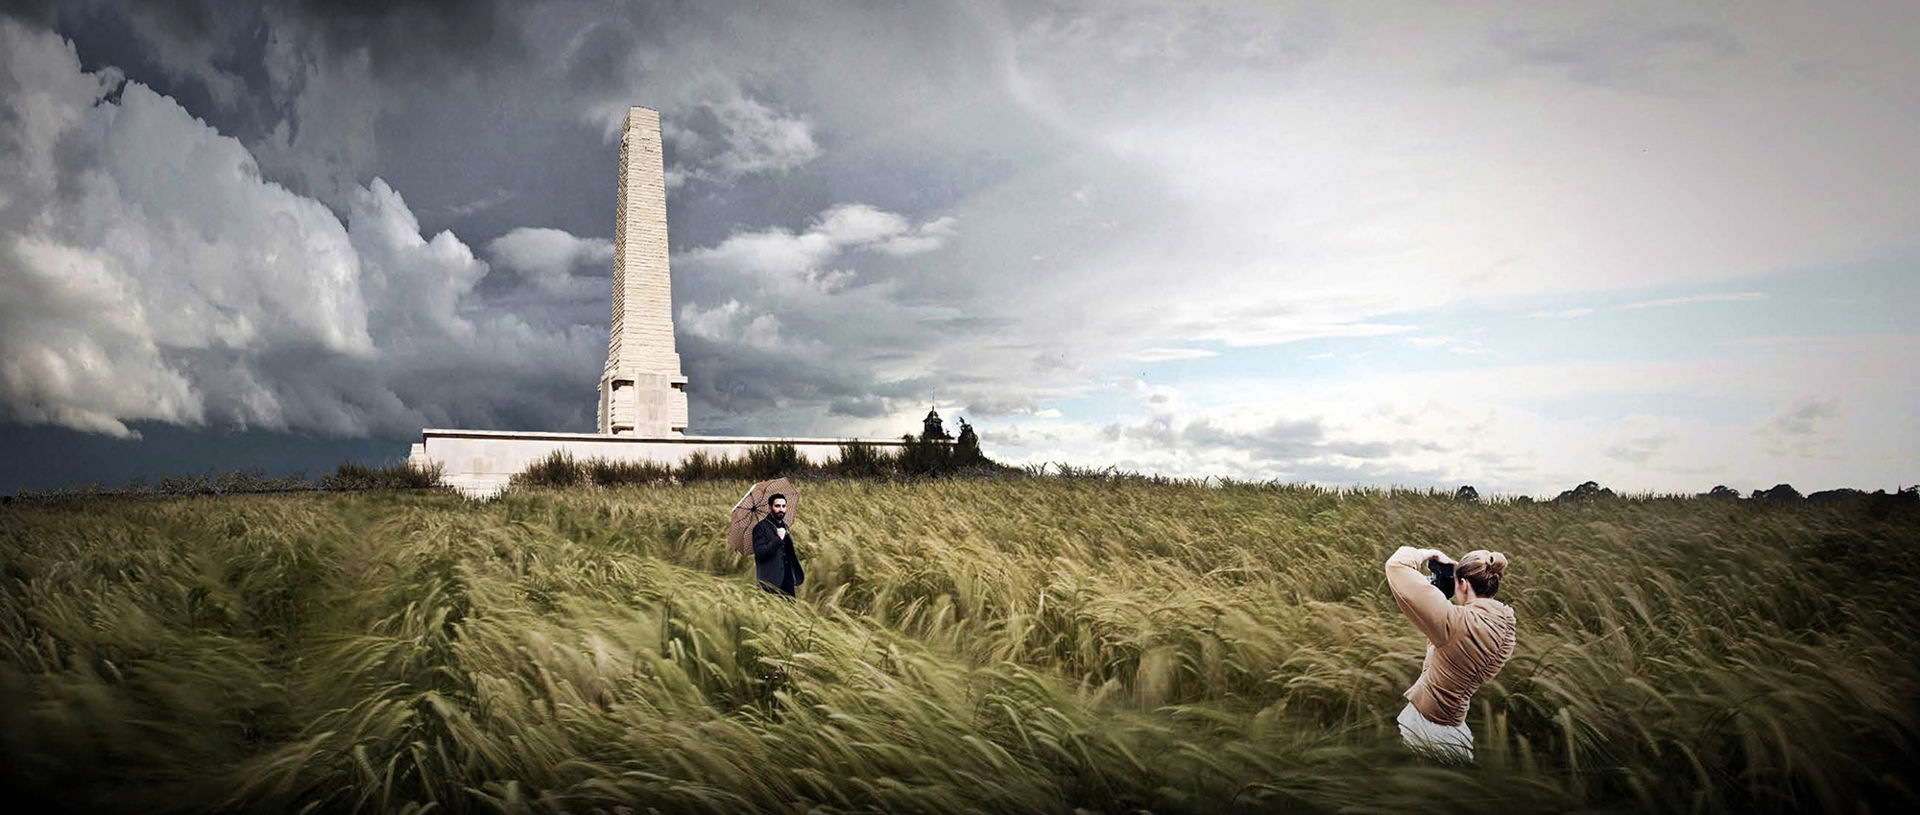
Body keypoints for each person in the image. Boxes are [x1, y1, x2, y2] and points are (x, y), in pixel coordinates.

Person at [1384, 546, 1515, 763]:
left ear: (1463, 584)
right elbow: (1459, 641)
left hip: (1426, 727)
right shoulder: (1505, 627)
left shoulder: (1454, 623)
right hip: (1454, 727)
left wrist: (1427, 553)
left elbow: (1396, 565)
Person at [751, 493, 805, 598]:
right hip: (770, 582)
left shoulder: (784, 526)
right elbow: (760, 553)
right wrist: (778, 539)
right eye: (777, 506)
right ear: (770, 507)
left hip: (788, 580)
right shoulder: (760, 528)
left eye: (783, 506)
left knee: (790, 612)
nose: (781, 509)